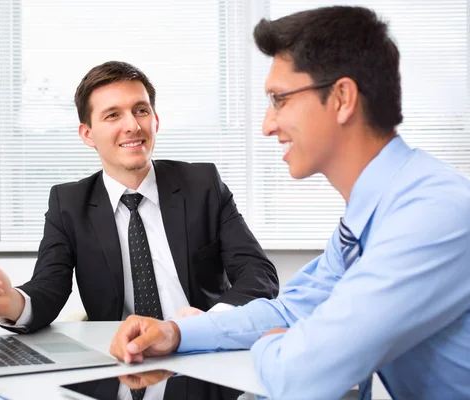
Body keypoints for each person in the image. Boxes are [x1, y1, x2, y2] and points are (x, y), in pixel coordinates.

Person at [108, 6, 470, 400]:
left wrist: (279, 345)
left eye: (279, 99)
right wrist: (175, 333)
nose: (267, 124)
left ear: (342, 98)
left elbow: (301, 374)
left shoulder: (433, 212)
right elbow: (291, 311)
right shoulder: (372, 213)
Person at [0, 59, 278, 361]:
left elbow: (258, 274)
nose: (132, 125)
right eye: (113, 115)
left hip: (204, 350)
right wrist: (10, 301)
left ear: (155, 120)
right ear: (87, 134)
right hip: (122, 358)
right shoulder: (68, 203)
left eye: (141, 110)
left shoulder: (201, 183)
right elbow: (49, 287)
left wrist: (208, 323)